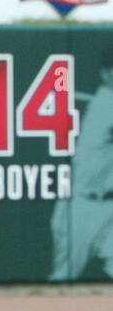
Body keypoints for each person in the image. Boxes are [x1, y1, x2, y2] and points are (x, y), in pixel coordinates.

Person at [48, 45, 113, 281]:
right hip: (81, 207)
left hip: (109, 208)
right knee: (64, 279)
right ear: (105, 74)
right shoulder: (105, 105)